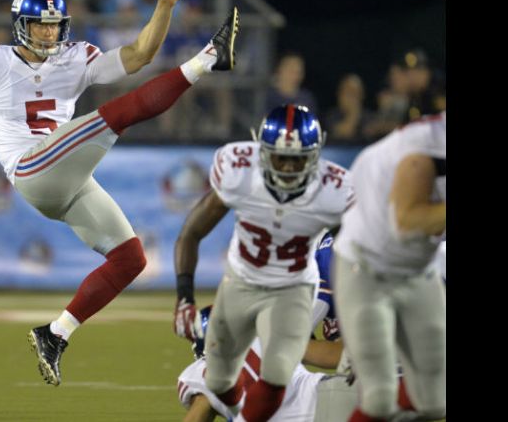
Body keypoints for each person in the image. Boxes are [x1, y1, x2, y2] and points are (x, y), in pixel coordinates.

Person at [0, 0, 237, 386]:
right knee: (115, 114)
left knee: (130, 258)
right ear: (20, 24)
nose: (49, 32)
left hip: (66, 176)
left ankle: (55, 333)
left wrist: (165, 7)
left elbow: (139, 55)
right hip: (31, 169)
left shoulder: (75, 57)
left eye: (55, 24)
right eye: (40, 24)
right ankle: (209, 57)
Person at [172, 104, 353, 421]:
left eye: (297, 159)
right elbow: (191, 233)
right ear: (260, 150)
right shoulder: (237, 169)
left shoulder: (336, 189)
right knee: (218, 381)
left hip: (293, 290)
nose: (287, 167)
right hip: (241, 284)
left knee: (274, 372)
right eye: (280, 157)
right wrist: (184, 297)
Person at [332, 112, 446, 422]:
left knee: (437, 401)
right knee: (379, 398)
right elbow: (407, 221)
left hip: (417, 269)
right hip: (367, 267)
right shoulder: (427, 146)